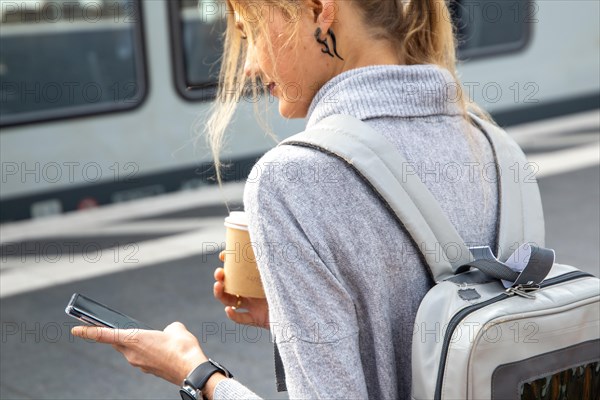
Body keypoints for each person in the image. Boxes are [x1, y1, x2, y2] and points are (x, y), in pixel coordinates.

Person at [72, 0, 500, 399]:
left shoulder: (291, 178)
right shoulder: (495, 148)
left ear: (318, 10)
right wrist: (297, 320)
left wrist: (195, 373)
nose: (250, 67)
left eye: (251, 30)